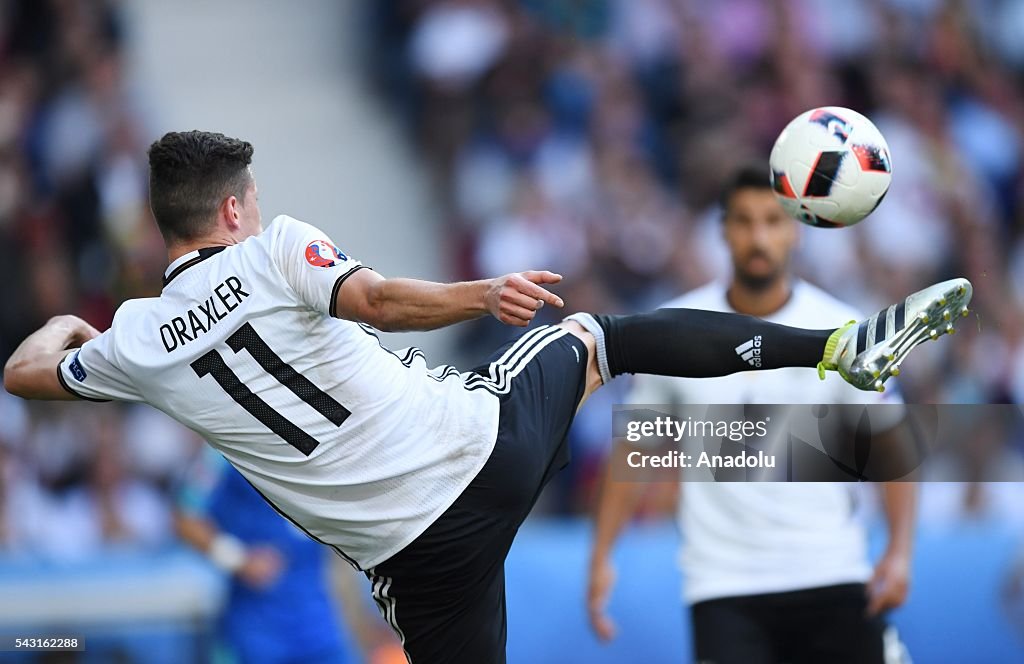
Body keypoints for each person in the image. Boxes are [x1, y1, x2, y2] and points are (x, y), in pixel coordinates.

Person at [3, 131, 970, 663]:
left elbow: (23, 371)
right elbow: (375, 299)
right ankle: (839, 345)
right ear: (230, 211)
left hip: (417, 561)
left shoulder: (133, 341)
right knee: (610, 337)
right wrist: (480, 295)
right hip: (481, 444)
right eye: (249, 198)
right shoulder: (270, 247)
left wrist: (81, 332)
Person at [588, 166, 915, 664]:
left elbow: (891, 443)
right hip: (724, 586)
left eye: (772, 220)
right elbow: (636, 447)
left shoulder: (843, 328)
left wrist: (899, 552)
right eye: (743, 221)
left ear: (797, 230)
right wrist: (602, 555)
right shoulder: (672, 332)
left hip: (831, 572)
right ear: (723, 230)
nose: (758, 236)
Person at [175, 449, 363, 664]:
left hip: (319, 625)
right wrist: (238, 559)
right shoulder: (221, 450)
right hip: (257, 630)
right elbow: (185, 518)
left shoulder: (312, 443)